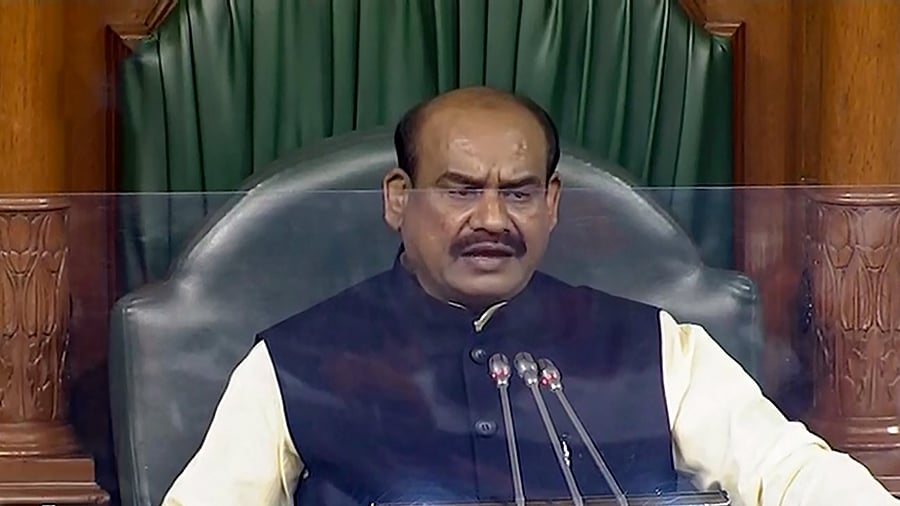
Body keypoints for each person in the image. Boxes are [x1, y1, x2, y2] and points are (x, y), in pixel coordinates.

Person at [161, 87, 897, 506]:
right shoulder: (293, 362)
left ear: (551, 205)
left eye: (516, 193)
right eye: (458, 191)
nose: (491, 220)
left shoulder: (656, 346)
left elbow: (795, 475)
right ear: (397, 200)